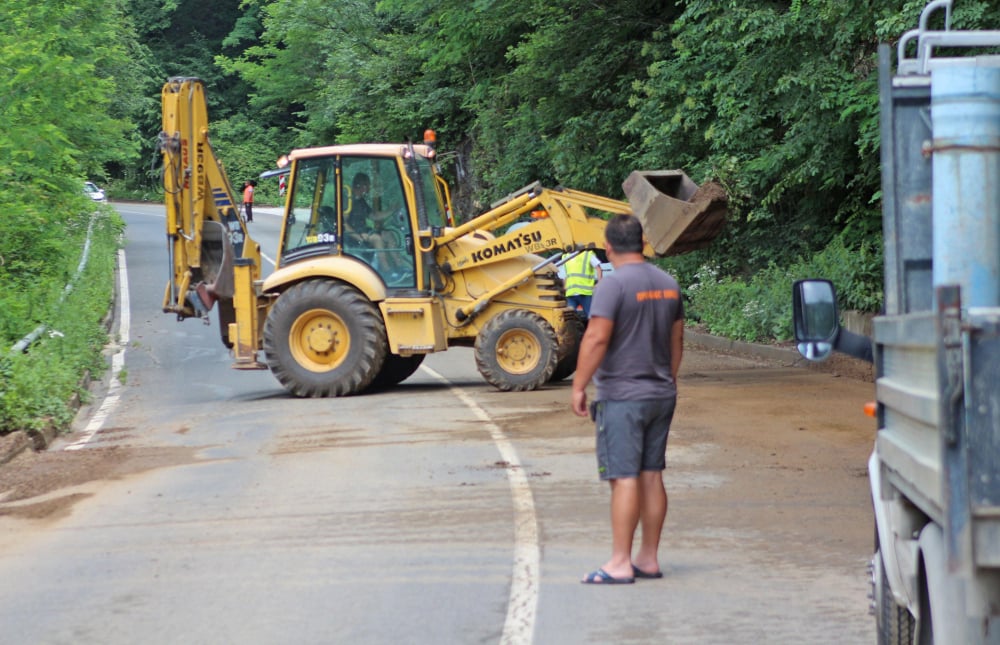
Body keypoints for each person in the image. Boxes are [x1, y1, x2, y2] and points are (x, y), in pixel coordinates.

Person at [572, 213, 684, 585]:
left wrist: (579, 385)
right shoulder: (669, 284)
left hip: (622, 397)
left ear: (608, 246)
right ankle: (648, 558)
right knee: (651, 474)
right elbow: (677, 340)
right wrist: (668, 378)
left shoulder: (613, 285)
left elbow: (596, 338)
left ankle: (620, 562)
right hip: (661, 394)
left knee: (624, 477)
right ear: (643, 242)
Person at [563, 249, 603, 318]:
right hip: (571, 293)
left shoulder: (587, 255)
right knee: (569, 318)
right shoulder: (565, 257)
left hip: (585, 293)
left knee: (591, 318)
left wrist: (600, 282)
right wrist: (565, 286)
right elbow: (566, 274)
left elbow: (598, 268)